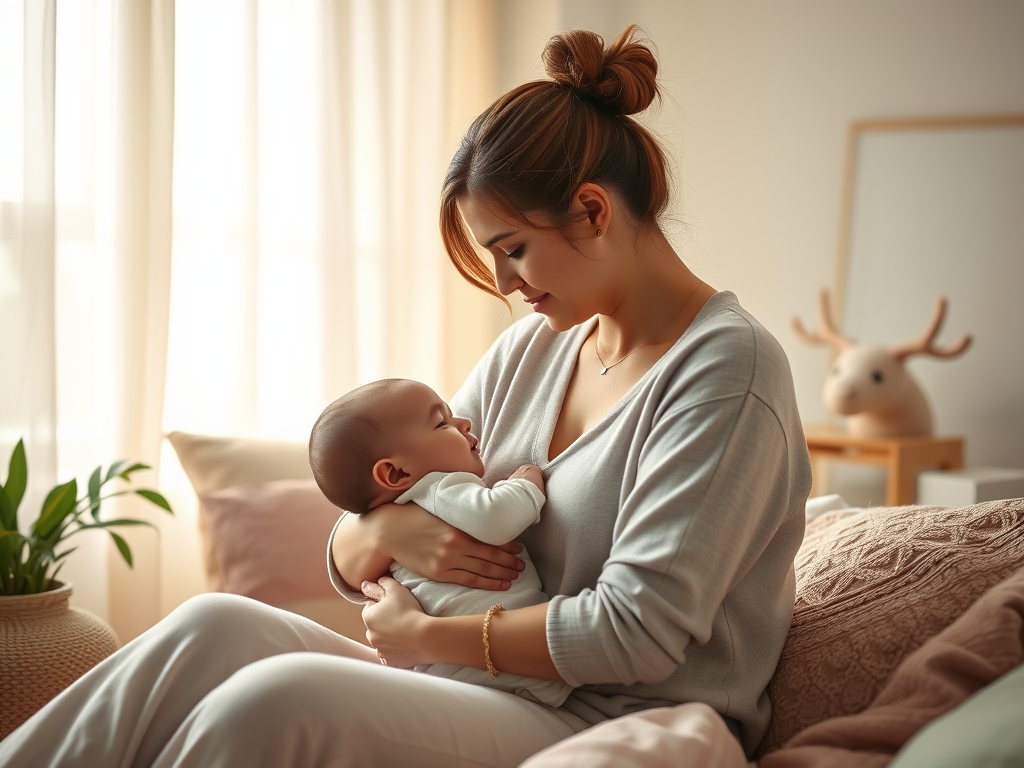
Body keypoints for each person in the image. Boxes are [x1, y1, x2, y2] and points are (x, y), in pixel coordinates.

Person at [0, 25, 810, 767]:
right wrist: (392, 532)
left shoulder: (726, 375)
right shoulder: (536, 348)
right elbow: (359, 540)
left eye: (513, 249)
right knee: (210, 623)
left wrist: (427, 630)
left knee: (275, 702)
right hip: (483, 683)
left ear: (592, 211)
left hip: (611, 716)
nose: (504, 283)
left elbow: (634, 634)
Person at [308, 378, 572, 707]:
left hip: (460, 670)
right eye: (442, 422)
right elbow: (497, 518)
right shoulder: (440, 486)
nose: (465, 422)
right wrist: (527, 483)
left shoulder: (419, 494)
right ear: (394, 474)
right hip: (493, 673)